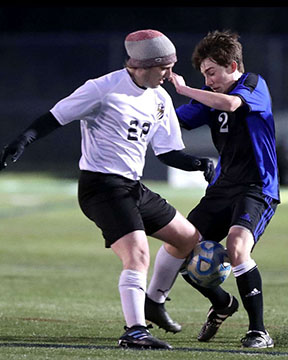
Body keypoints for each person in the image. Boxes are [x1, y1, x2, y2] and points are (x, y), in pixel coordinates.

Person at [0, 29, 215, 350]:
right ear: (141, 65)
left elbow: (167, 152)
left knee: (187, 239)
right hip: (101, 186)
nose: (171, 74)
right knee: (137, 255)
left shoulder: (160, 97)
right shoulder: (102, 89)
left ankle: (153, 302)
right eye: (164, 68)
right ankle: (134, 331)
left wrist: (200, 164)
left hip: (132, 187)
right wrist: (23, 140)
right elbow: (54, 117)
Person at [144, 30, 280, 349]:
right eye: (204, 74)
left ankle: (259, 331)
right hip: (221, 188)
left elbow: (232, 104)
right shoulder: (208, 95)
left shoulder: (252, 85)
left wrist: (183, 87)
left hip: (256, 188)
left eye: (211, 72)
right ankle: (221, 303)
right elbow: (175, 123)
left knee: (236, 246)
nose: (209, 80)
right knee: (182, 244)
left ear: (232, 65)